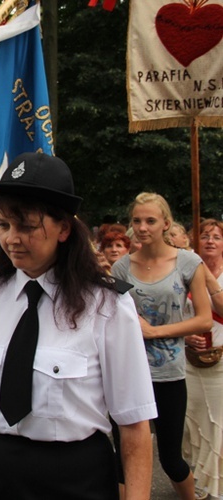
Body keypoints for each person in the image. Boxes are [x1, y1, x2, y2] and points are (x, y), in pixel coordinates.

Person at [0, 153, 157, 499]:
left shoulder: (107, 305)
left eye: (27, 226)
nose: (12, 239)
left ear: (64, 229)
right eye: (3, 225)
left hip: (76, 481)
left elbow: (133, 423)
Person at [112, 192, 212, 499]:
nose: (142, 227)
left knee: (171, 459)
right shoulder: (121, 268)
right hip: (129, 375)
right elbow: (113, 320)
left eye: (150, 221)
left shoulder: (188, 261)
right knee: (122, 461)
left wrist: (154, 332)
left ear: (165, 224)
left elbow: (204, 320)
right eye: (137, 221)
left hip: (169, 375)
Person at [183, 218, 223, 500]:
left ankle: (216, 485)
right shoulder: (184, 272)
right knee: (192, 420)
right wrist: (186, 336)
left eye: (216, 237)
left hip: (221, 360)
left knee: (217, 422)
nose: (210, 240)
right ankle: (196, 478)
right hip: (189, 358)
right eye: (205, 236)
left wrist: (206, 275)